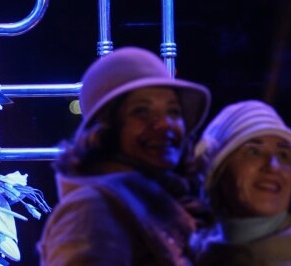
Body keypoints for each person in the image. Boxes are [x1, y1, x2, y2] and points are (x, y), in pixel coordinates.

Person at [38, 47, 211, 266]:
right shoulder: (92, 209)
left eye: (174, 111)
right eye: (142, 111)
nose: (165, 124)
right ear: (106, 128)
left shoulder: (155, 202)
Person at [191, 100, 291, 266]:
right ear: (218, 171)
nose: (274, 167)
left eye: (283, 155)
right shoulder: (188, 252)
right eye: (253, 152)